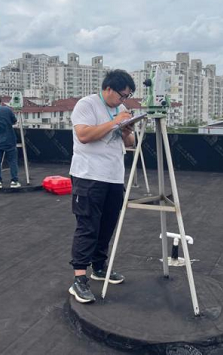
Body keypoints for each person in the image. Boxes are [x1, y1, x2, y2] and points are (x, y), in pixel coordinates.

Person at [68, 69, 136, 304]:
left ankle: (99, 267)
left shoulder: (120, 109)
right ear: (108, 89)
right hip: (89, 175)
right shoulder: (87, 105)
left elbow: (130, 142)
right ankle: (79, 279)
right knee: (87, 225)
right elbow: (84, 135)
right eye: (122, 95)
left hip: (114, 176)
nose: (123, 100)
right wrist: (114, 122)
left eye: (127, 96)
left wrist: (126, 131)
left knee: (107, 225)